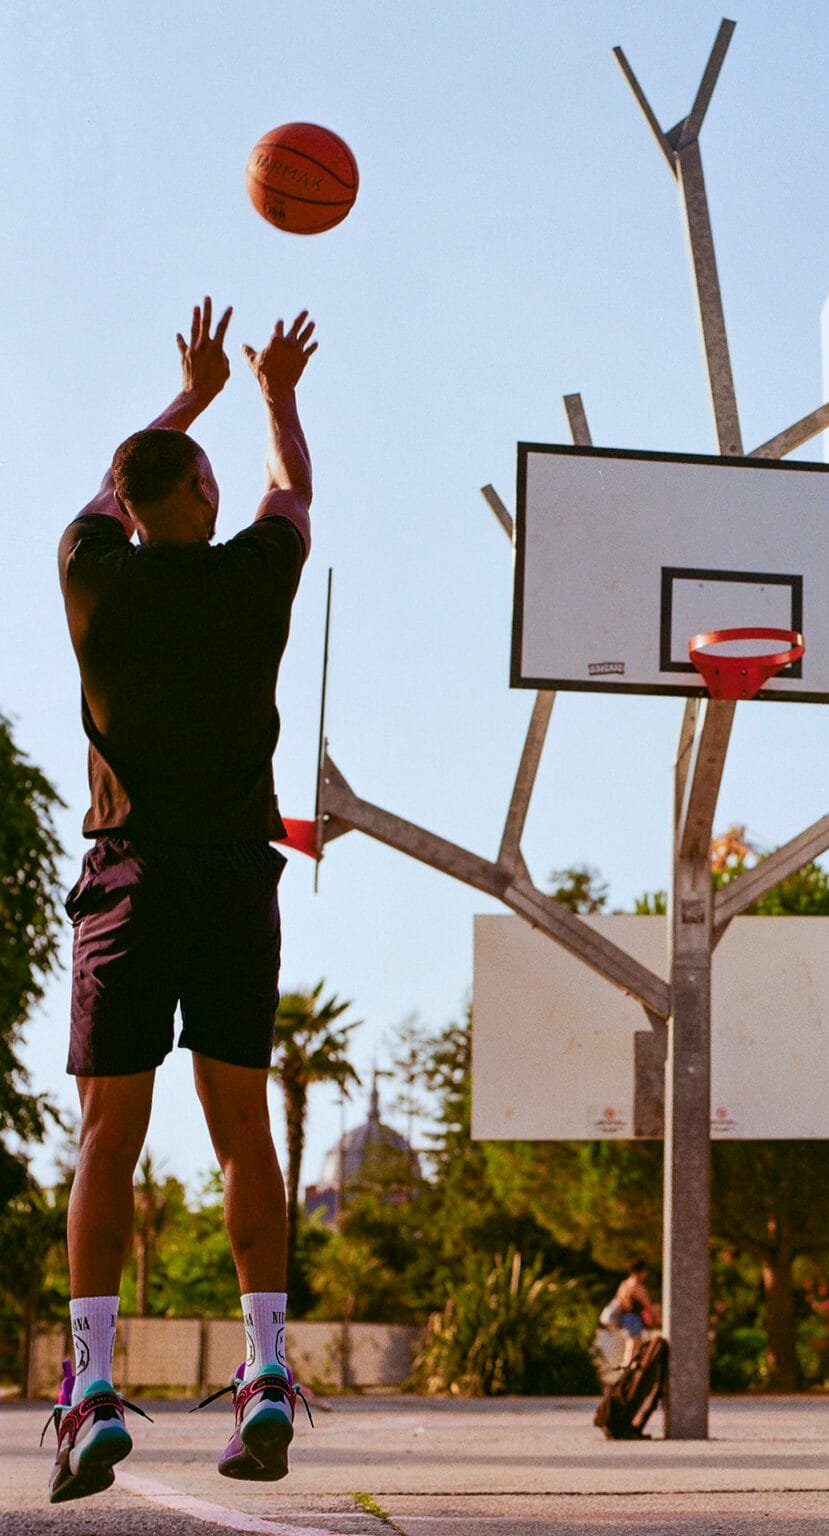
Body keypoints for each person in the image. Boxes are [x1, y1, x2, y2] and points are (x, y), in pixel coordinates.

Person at [46, 298, 316, 1503]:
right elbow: (293, 491)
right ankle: (265, 1372)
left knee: (109, 1133)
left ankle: (92, 1391)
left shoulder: (89, 573)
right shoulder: (255, 577)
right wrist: (272, 394)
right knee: (242, 1132)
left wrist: (191, 395)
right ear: (204, 501)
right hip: (229, 881)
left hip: (130, 878)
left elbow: (115, 483)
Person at [601, 1257, 661, 1365]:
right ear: (641, 1271)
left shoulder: (625, 1283)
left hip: (622, 1318)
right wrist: (657, 1319)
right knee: (635, 1342)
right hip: (631, 1318)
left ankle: (627, 1364)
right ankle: (629, 1365)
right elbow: (648, 1305)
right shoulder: (636, 1286)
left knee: (631, 1342)